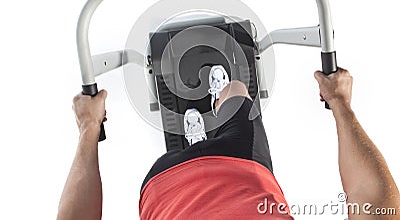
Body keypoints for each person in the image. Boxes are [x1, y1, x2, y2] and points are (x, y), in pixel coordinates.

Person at [57, 66, 400, 219]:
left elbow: (376, 203)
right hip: (167, 180)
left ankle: (206, 126)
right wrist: (88, 125)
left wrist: (340, 101)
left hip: (224, 166)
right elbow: (374, 201)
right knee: (235, 90)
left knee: (236, 90)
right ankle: (205, 127)